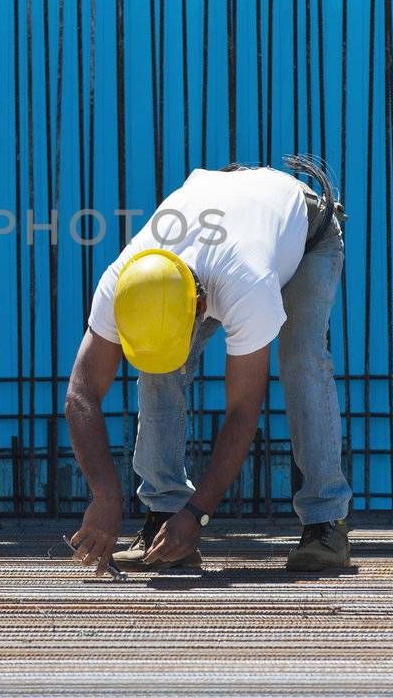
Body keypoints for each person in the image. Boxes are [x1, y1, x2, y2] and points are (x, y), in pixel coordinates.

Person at [64, 155, 352, 574]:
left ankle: (327, 524)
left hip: (307, 230)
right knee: (160, 370)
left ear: (201, 307)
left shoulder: (245, 283)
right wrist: (104, 494)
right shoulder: (122, 282)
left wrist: (198, 514)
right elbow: (81, 393)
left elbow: (242, 411)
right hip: (230, 230)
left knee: (302, 360)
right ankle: (163, 516)